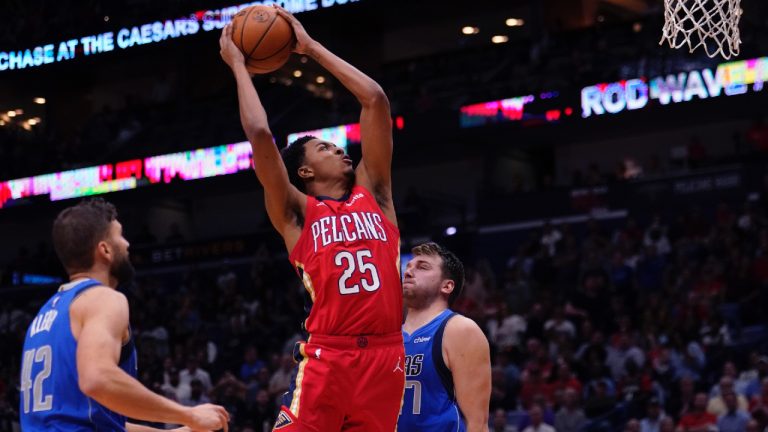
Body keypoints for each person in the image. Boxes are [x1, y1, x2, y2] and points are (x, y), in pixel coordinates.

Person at [219, 6, 404, 431]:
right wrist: (239, 67)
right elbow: (261, 134)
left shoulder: (375, 192)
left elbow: (374, 99)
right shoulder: (295, 213)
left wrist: (311, 47)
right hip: (329, 357)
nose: (340, 149)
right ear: (303, 172)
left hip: (386, 356)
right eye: (324, 148)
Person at [19, 198, 229, 431]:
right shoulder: (103, 298)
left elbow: (102, 421)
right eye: (120, 235)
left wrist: (183, 429)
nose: (127, 244)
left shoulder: (44, 316)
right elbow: (97, 379)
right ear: (105, 250)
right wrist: (188, 414)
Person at [398, 242, 491, 431]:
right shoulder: (390, 335)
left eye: (422, 267)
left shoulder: (459, 330)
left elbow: (477, 423)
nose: (408, 272)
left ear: (447, 286)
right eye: (408, 267)